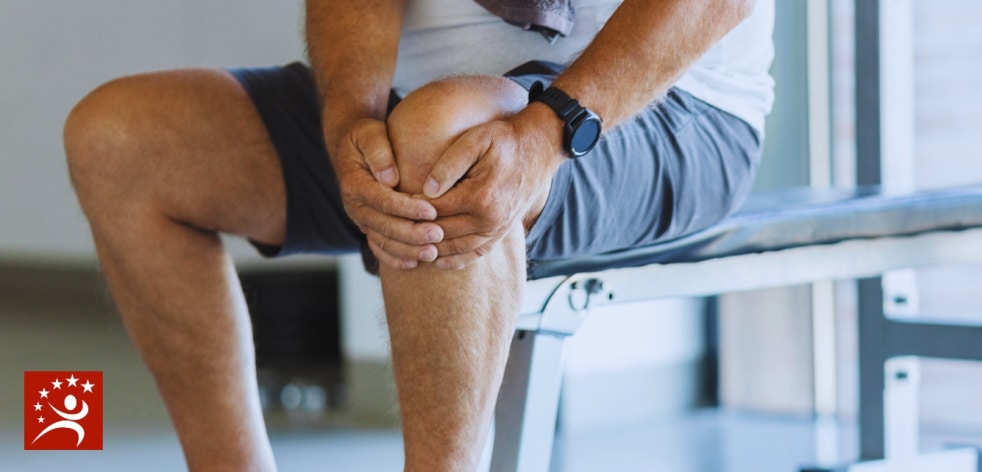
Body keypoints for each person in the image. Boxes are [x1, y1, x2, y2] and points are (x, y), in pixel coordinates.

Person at [63, 0, 774, 470]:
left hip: (663, 110)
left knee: (443, 145)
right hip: (417, 105)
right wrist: (348, 120)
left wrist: (547, 130)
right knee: (120, 139)